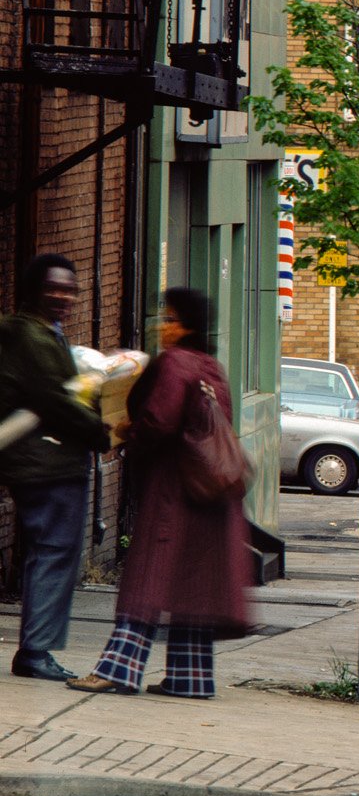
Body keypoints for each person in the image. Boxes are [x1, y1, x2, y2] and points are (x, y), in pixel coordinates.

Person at [68, 288, 252, 698]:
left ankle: (118, 669)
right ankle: (191, 678)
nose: (161, 326)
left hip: (174, 489)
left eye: (169, 319)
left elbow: (160, 421)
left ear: (185, 325)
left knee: (148, 578)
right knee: (193, 586)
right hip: (211, 494)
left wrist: (125, 431)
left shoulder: (176, 362)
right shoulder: (211, 366)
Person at [0, 256, 112, 683]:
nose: (64, 297)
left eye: (70, 290)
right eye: (55, 289)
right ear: (33, 290)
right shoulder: (35, 337)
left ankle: (36, 647)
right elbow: (55, 401)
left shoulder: (41, 332)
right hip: (49, 462)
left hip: (42, 459)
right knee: (55, 553)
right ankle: (36, 651)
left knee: (47, 552)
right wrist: (103, 432)